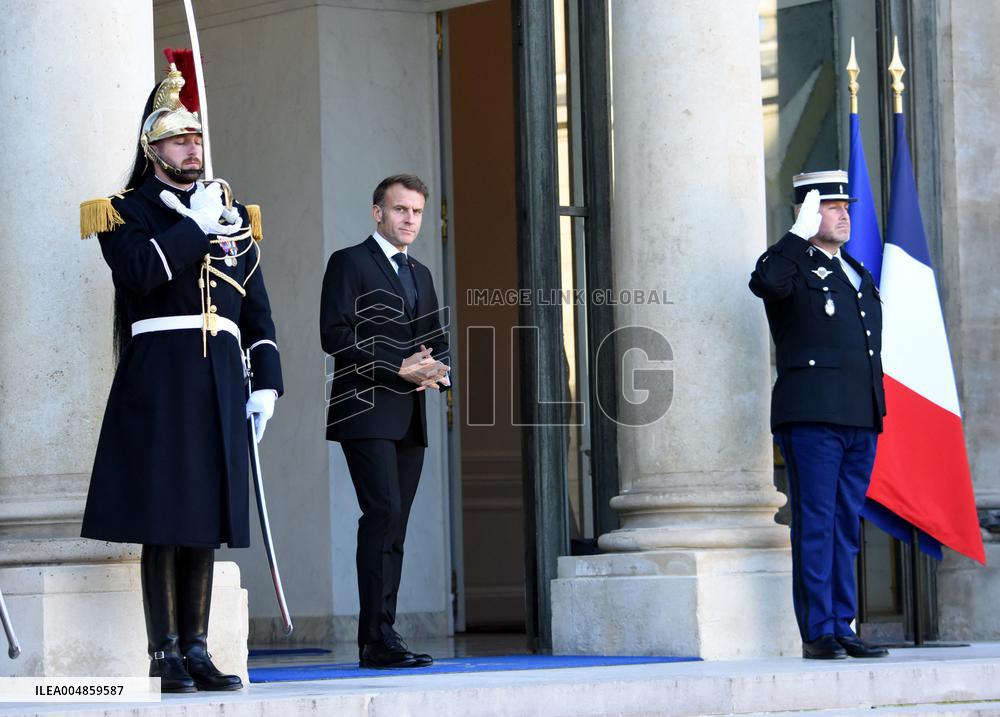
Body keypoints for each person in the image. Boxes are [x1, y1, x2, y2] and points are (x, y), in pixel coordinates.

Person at [79, 52, 283, 692]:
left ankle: (197, 649)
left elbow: (255, 304)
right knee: (164, 516)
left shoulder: (232, 212)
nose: (192, 147)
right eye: (177, 139)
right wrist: (193, 228)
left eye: (196, 138)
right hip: (162, 375)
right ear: (153, 149)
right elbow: (140, 273)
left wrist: (267, 379)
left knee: (204, 518)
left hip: (220, 377)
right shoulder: (123, 211)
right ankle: (163, 654)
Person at [749, 170, 888, 660]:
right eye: (831, 207)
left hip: (859, 416)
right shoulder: (790, 264)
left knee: (846, 525)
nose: (844, 214)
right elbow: (766, 283)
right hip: (812, 416)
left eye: (845, 206)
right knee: (816, 521)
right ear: (807, 212)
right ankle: (817, 631)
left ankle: (843, 623)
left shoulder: (855, 272)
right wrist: (796, 235)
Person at [320, 174, 450, 669]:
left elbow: (436, 340)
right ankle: (375, 640)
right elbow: (334, 335)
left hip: (410, 415)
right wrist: (397, 366)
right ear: (378, 212)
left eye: (416, 212)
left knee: (395, 524)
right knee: (382, 513)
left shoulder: (422, 273)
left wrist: (439, 372)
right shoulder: (349, 262)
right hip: (364, 410)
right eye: (400, 210)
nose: (409, 219)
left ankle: (383, 633)